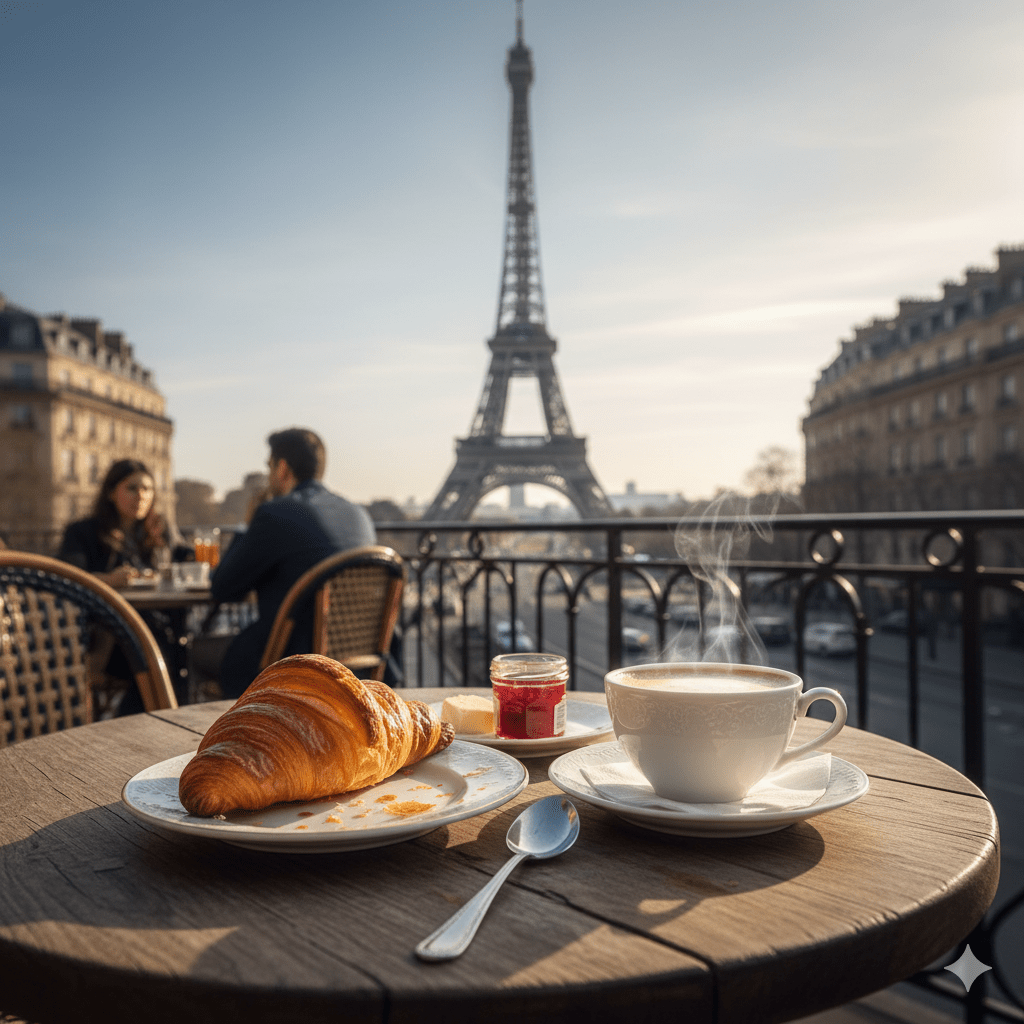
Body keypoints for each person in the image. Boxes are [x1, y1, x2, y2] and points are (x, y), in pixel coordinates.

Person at [209, 428, 376, 697]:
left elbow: (223, 587)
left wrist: (246, 526)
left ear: (282, 468)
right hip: (357, 662)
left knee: (194, 653)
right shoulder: (359, 515)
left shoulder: (275, 514)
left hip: (289, 661)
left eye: (269, 466)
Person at [57, 458, 192, 715]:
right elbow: (66, 579)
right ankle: (150, 726)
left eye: (147, 489)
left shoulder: (158, 532)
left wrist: (184, 550)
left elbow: (185, 559)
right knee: (166, 653)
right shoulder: (84, 532)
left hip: (154, 630)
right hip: (106, 640)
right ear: (111, 492)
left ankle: (163, 724)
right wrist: (110, 580)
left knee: (179, 649)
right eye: (132, 488)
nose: (141, 496)